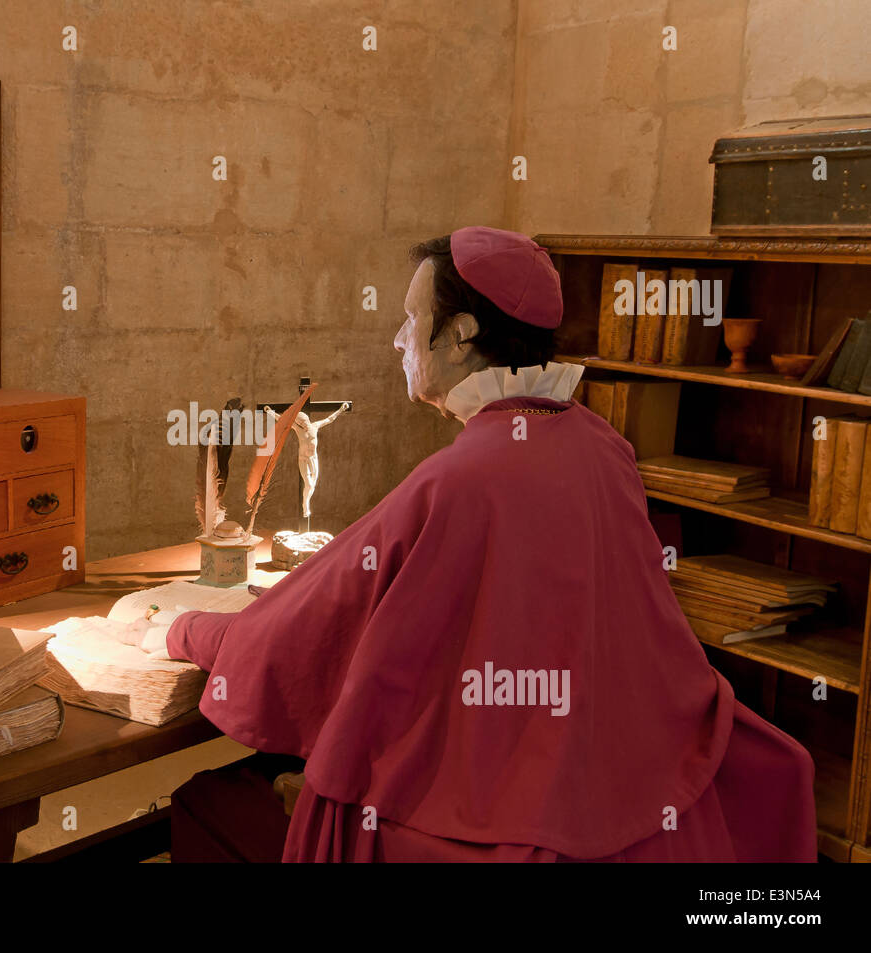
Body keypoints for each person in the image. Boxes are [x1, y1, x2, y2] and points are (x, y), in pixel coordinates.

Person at [161, 226, 816, 862]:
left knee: (202, 801)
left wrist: (180, 629)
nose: (398, 340)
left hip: (497, 815)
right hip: (611, 779)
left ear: (461, 334)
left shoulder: (461, 476)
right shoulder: (601, 446)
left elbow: (295, 630)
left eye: (411, 319)